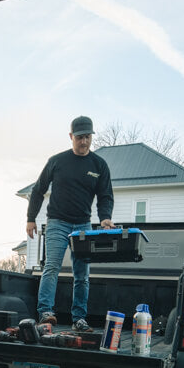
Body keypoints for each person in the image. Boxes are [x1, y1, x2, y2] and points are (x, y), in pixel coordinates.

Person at [26, 115, 114, 330]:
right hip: (57, 222)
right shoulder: (57, 161)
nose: (84, 142)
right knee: (51, 267)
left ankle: (79, 319)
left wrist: (105, 218)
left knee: (82, 275)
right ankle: (45, 312)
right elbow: (38, 190)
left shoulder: (99, 165)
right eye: (79, 137)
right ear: (71, 137)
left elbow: (105, 195)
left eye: (87, 137)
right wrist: (30, 219)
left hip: (83, 226)